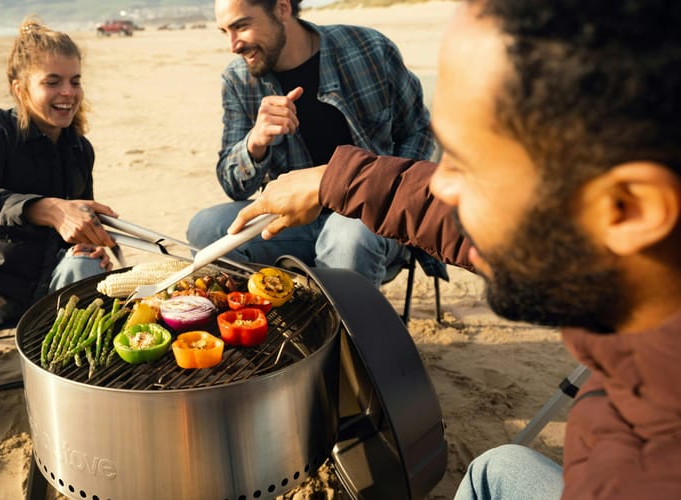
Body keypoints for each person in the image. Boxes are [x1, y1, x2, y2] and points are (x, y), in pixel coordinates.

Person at [231, 0, 681, 498]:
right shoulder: (639, 297)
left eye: (466, 164)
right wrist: (334, 179)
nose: (443, 187)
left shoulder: (648, 470)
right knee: (498, 467)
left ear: (629, 208)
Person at [0, 16, 119, 460]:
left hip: (46, 279)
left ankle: (67, 380)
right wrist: (42, 207)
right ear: (20, 87)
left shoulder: (78, 147)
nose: (67, 93)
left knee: (90, 269)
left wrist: (93, 241)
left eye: (75, 80)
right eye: (53, 81)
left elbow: (78, 214)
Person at [185, 0, 437, 288]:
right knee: (205, 228)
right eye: (224, 31)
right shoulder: (238, 79)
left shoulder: (369, 49)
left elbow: (419, 130)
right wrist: (255, 141)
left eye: (241, 26)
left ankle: (342, 331)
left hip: (367, 213)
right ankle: (261, 319)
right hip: (290, 219)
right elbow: (233, 185)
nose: (233, 45)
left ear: (282, 9)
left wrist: (392, 195)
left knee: (347, 238)